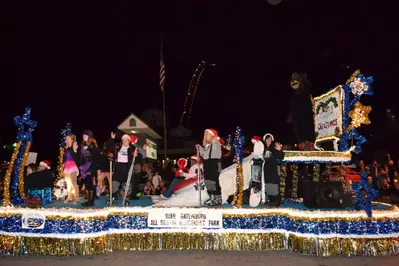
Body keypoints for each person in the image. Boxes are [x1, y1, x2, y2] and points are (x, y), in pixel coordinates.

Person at [106, 132, 138, 201]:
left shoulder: (132, 148)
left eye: (126, 140)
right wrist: (112, 139)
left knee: (127, 184)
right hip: (118, 166)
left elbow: (139, 158)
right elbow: (109, 147)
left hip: (127, 167)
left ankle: (126, 198)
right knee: (114, 182)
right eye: (123, 140)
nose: (124, 141)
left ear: (129, 141)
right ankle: (113, 197)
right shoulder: (118, 147)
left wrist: (136, 155)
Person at [287, 72, 315, 150]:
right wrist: (291, 116)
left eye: (295, 80)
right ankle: (303, 145)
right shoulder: (293, 96)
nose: (292, 82)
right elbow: (292, 107)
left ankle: (309, 145)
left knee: (307, 131)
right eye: (291, 80)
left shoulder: (306, 92)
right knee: (299, 133)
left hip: (306, 117)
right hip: (297, 120)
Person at [196, 128, 223, 206]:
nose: (205, 136)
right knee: (208, 181)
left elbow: (216, 153)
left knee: (214, 181)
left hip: (214, 164)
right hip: (207, 164)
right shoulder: (207, 146)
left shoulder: (216, 144)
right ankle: (212, 197)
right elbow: (204, 155)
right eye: (205, 134)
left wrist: (214, 139)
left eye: (207, 134)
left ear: (212, 135)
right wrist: (200, 148)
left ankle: (217, 198)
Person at [262, 133, 284, 207]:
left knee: (274, 185)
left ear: (272, 140)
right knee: (268, 185)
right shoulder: (264, 149)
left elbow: (281, 157)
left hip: (273, 169)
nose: (268, 140)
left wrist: (280, 150)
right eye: (267, 139)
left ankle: (276, 202)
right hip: (266, 170)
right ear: (265, 140)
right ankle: (271, 201)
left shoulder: (273, 148)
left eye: (270, 139)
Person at [80, 136, 101, 206]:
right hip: (86, 169)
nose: (83, 137)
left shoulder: (94, 148)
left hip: (92, 169)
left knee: (92, 185)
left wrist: (88, 148)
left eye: (85, 136)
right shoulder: (84, 147)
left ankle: (91, 201)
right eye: (83, 136)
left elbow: (97, 153)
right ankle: (89, 200)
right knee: (87, 185)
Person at [63, 132, 80, 204]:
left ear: (72, 139)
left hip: (73, 166)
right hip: (67, 167)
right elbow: (64, 160)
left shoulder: (75, 146)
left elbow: (77, 159)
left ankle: (77, 199)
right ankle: (69, 197)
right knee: (68, 183)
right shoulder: (66, 148)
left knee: (73, 183)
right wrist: (63, 168)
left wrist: (75, 150)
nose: (66, 140)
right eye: (66, 139)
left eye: (68, 139)